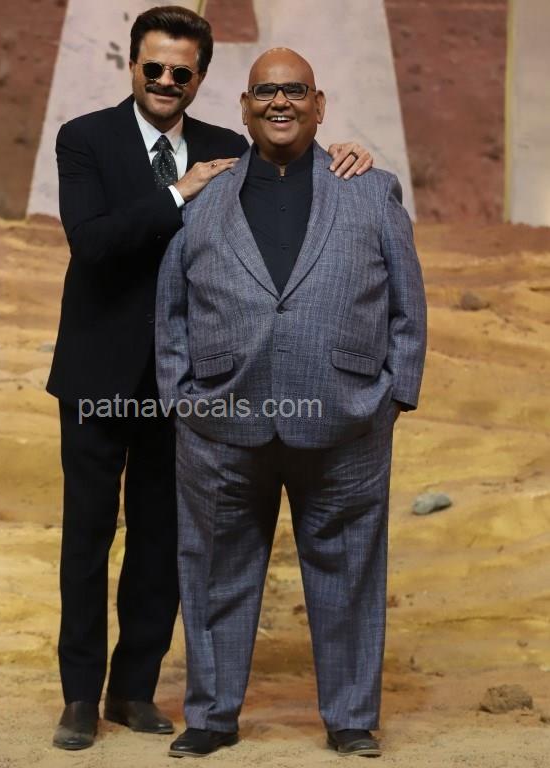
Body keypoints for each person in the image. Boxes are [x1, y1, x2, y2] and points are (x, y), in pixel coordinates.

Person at [48, 5, 373, 751]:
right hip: (97, 378)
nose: (166, 81)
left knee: (164, 539)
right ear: (132, 66)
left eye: (181, 72)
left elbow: (291, 158)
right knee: (88, 538)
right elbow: (91, 243)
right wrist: (178, 193)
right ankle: (79, 696)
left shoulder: (228, 144)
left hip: (190, 383)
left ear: (200, 78)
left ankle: (134, 689)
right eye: (154, 68)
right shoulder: (85, 139)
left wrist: (350, 153)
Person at [156, 47, 427, 759]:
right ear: (244, 108)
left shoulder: (370, 190)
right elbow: (172, 309)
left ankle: (350, 719)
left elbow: (407, 302)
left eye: (295, 90)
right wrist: (180, 397)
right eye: (265, 91)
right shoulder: (204, 194)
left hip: (346, 419)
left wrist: (394, 394)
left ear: (319, 104)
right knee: (214, 571)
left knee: (349, 573)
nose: (280, 101)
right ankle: (212, 717)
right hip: (219, 422)